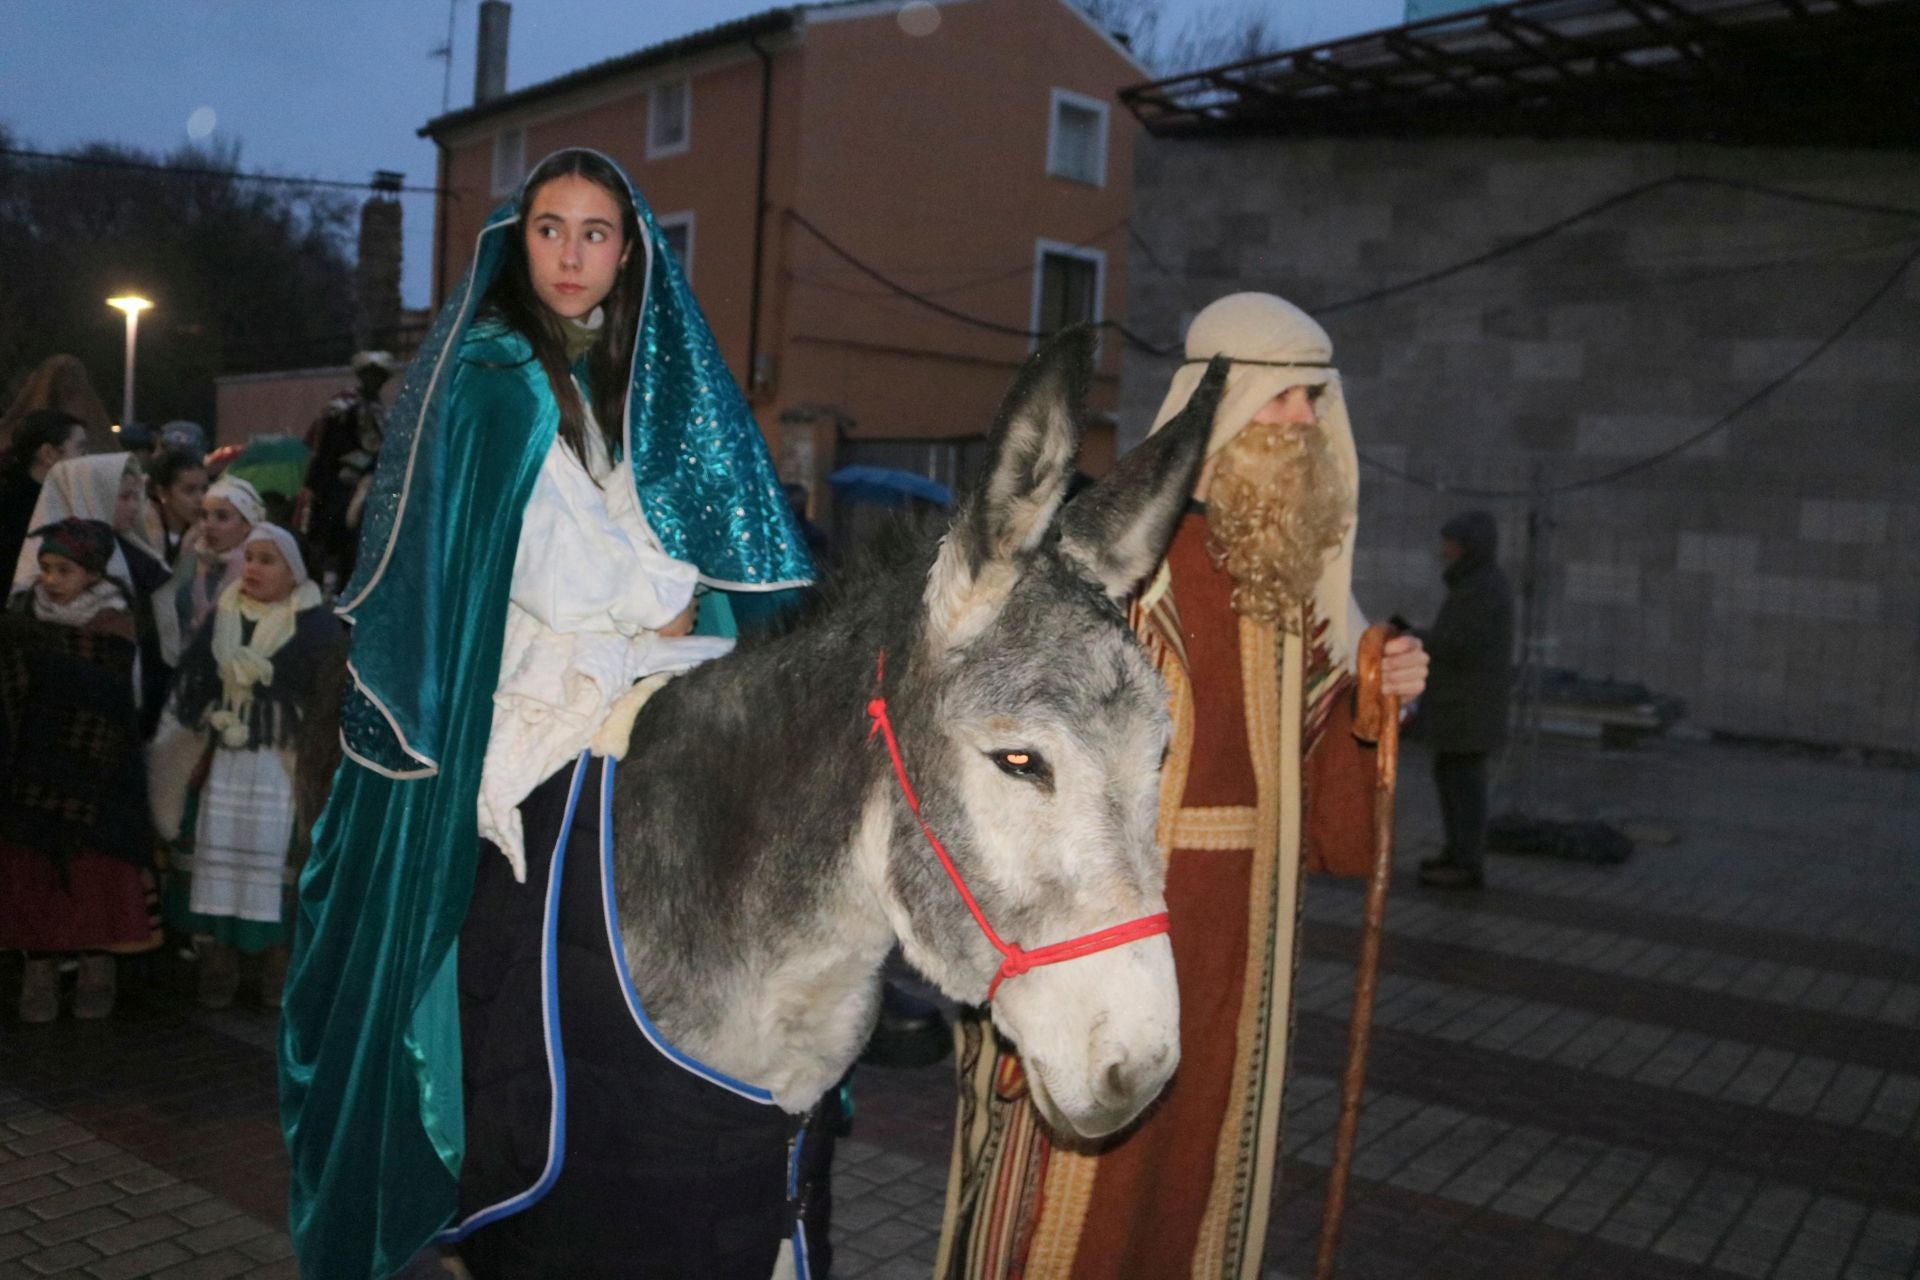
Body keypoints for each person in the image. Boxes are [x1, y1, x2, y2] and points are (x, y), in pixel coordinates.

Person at [280, 147, 813, 1280]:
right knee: (542, 859)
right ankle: (505, 1122)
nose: (572, 256)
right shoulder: (494, 374)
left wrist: (666, 610)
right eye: (551, 229)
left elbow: (650, 526)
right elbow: (543, 564)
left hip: (625, 652)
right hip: (526, 674)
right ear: (518, 242)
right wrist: (657, 610)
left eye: (597, 233)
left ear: (630, 254)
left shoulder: (618, 386)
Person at [937, 293, 1428, 1280]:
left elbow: (1337, 831)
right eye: (1281, 398)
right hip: (1104, 929)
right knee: (1072, 1186)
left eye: (1314, 402)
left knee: (1195, 1178)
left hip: (1237, 955)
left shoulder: (1302, 598)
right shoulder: (1110, 562)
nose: (1301, 424)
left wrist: (1376, 704)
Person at [148, 525, 343, 1008]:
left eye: (267, 560)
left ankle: (277, 959)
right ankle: (220, 959)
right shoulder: (221, 619)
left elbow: (328, 704)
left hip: (281, 769)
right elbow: (189, 689)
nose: (253, 567)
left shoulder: (316, 628)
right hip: (224, 766)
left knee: (279, 863)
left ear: (294, 571)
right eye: (250, 557)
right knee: (220, 858)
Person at [0, 517, 156, 1021]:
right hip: (31, 765)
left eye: (63, 569)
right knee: (32, 873)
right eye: (45, 568)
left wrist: (40, 665)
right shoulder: (21, 620)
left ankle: (96, 965)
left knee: (95, 874)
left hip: (98, 768)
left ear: (91, 573)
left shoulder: (113, 622)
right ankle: (39, 968)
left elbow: (106, 694)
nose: (50, 578)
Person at [10, 453, 173, 734]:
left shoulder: (140, 555)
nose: (135, 507)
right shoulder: (43, 577)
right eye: (124, 497)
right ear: (94, 495)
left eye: (137, 497)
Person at [1415, 510, 1514, 891]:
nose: (1445, 550)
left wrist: (1413, 636)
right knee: (1451, 778)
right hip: (1461, 704)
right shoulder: (1474, 583)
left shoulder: (1482, 587)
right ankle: (1456, 852)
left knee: (1465, 785)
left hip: (1469, 706)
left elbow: (1459, 644)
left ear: (1468, 546)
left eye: (1451, 542)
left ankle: (1467, 863)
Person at [297, 349, 397, 589]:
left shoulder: (382, 411)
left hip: (374, 476)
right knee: (334, 527)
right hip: (342, 479)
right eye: (370, 375)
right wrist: (313, 483)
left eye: (379, 376)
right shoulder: (342, 406)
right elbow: (326, 449)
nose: (375, 380)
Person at [157, 474, 262, 667]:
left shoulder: (259, 572)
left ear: (247, 524)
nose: (209, 525)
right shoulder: (194, 555)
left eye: (222, 517)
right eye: (204, 516)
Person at [0, 408, 90, 585]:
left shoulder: (66, 498)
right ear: (48, 453)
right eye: (81, 449)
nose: (87, 458)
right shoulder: (12, 508)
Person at [145, 447, 210, 568]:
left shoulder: (208, 530)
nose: (201, 499)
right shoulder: (143, 531)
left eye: (204, 489)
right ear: (162, 493)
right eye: (189, 491)